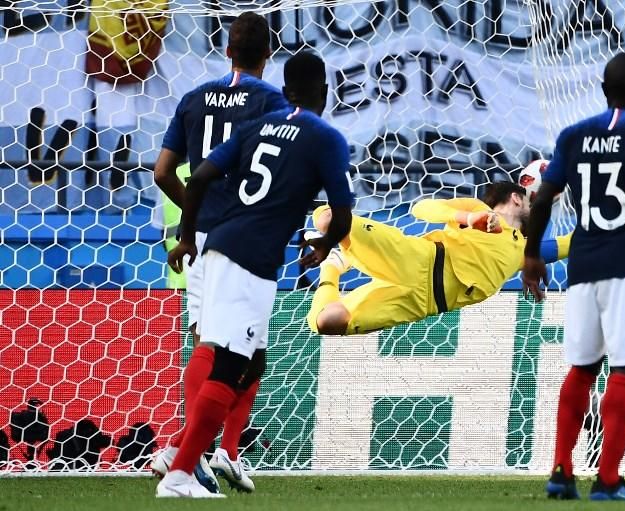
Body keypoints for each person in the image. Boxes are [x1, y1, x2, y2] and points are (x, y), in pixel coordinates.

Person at [156, 51, 354, 498]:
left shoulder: (256, 127)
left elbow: (200, 176)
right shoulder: (326, 138)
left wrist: (187, 237)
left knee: (248, 360)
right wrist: (323, 245)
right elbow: (342, 216)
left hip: (220, 243)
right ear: (325, 92)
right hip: (251, 259)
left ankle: (201, 455)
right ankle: (181, 470)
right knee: (229, 361)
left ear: (286, 94)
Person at [522, 52, 625, 501]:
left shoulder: (573, 135)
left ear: (602, 88)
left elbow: (542, 199)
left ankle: (560, 471)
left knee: (583, 367)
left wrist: (532, 255)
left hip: (583, 265)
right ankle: (608, 479)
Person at [150, 12, 289, 492]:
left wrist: (194, 209)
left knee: (211, 343)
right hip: (245, 238)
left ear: (226, 51)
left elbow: (163, 171)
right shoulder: (272, 101)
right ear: (268, 58)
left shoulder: (193, 100)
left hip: (201, 233)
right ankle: (200, 452)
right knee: (241, 352)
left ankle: (205, 452)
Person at [306, 181, 571, 336]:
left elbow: (569, 243)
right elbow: (421, 208)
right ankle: (333, 246)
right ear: (516, 198)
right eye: (529, 202)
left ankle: (332, 267)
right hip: (419, 258)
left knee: (329, 321)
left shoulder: (524, 250)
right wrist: (467, 219)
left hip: (420, 303)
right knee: (328, 218)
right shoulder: (477, 209)